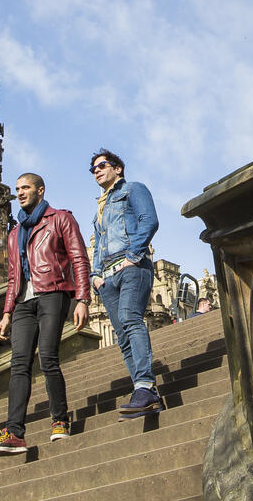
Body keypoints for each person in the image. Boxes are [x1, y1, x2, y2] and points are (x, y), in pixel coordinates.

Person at [0, 173, 91, 455]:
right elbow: (12, 277)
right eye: (17, 189)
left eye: (25, 188)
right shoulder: (14, 233)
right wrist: (6, 311)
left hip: (53, 293)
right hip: (22, 303)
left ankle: (59, 420)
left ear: (40, 190)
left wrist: (82, 298)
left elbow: (79, 257)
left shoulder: (60, 219)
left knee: (48, 357)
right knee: (19, 364)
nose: (19, 193)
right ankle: (14, 432)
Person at [87, 149, 162, 419]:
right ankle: (145, 393)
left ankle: (144, 385)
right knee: (122, 337)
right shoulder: (100, 208)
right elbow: (96, 248)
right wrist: (95, 276)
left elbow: (149, 221)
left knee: (131, 320)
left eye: (102, 165)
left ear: (117, 169)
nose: (96, 170)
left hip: (132, 268)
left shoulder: (133, 189)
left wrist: (133, 256)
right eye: (92, 168)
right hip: (107, 278)